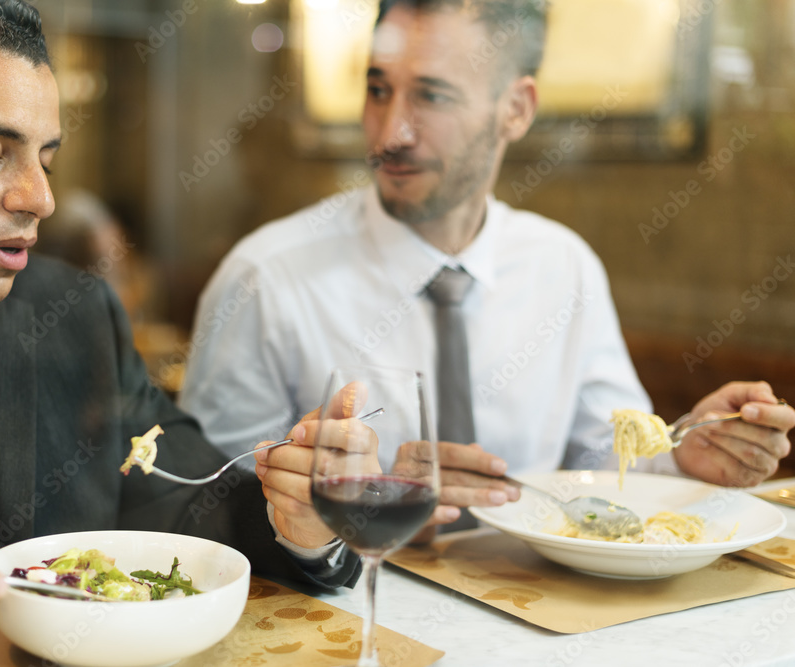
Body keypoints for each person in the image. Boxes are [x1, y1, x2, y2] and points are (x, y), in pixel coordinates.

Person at [0, 2, 358, 664]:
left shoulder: (72, 313)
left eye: (47, 161)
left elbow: (190, 501)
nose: (39, 198)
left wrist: (304, 519)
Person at [180, 0, 795, 539]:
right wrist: (364, 508)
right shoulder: (265, 276)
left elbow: (603, 463)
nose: (391, 131)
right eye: (377, 89)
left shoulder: (564, 267)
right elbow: (200, 506)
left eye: (432, 95)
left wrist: (689, 456)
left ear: (516, 109)